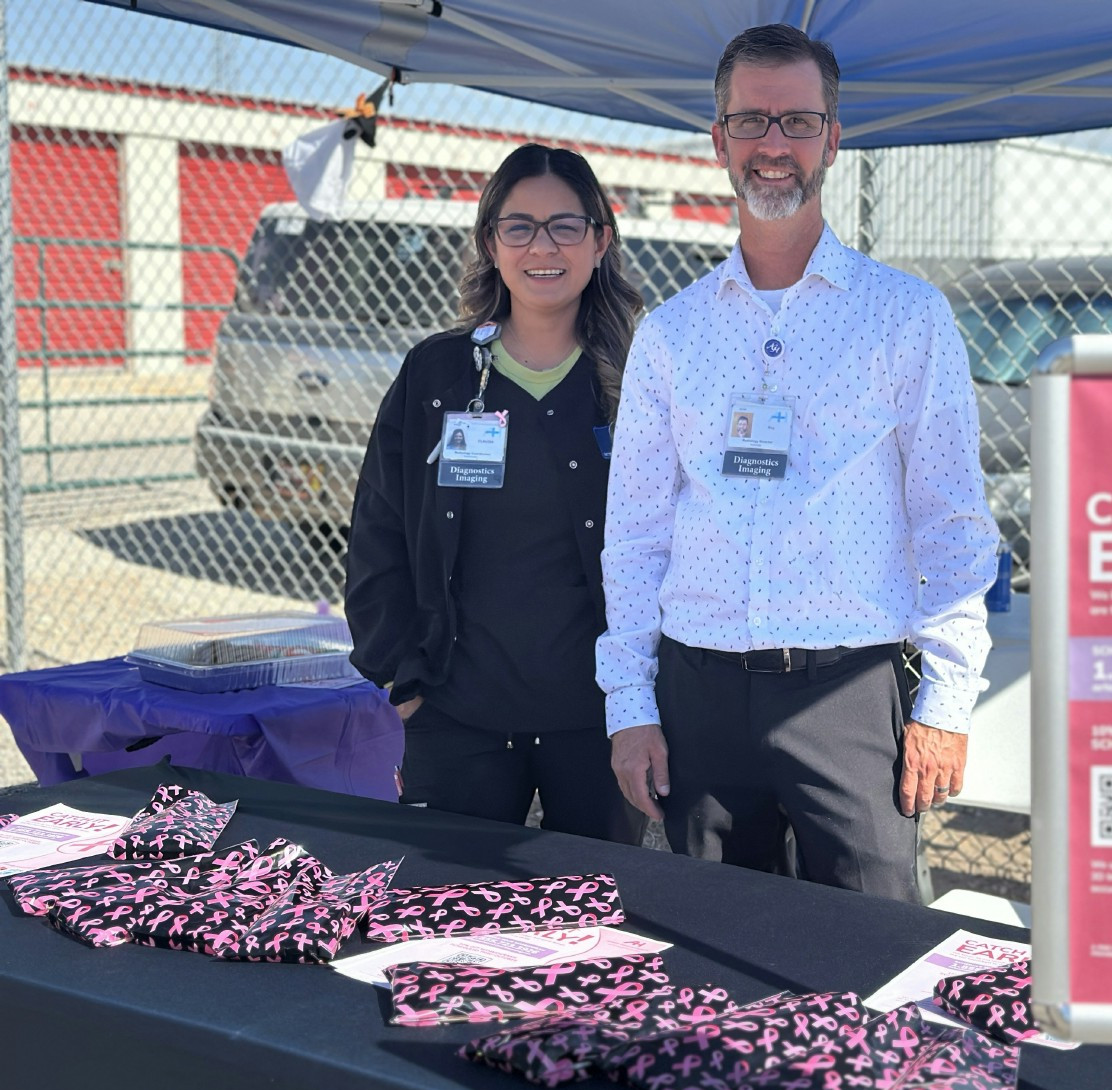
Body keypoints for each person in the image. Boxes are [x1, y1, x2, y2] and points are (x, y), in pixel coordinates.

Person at [597, 24, 998, 902]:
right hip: (698, 695)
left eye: (798, 123)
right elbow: (632, 537)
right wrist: (630, 703)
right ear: (718, 140)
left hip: (847, 697)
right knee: (709, 956)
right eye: (751, 122)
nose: (773, 146)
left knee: (872, 958)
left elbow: (955, 524)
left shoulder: (906, 317)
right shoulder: (671, 334)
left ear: (833, 139)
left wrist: (944, 703)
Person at [346, 143, 646, 844]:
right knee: (446, 916)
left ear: (601, 239)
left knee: (595, 921)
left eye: (566, 226)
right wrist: (403, 679)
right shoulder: (438, 373)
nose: (543, 247)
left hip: (597, 718)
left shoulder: (639, 376)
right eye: (520, 226)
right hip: (458, 715)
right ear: (491, 241)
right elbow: (378, 530)